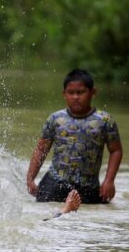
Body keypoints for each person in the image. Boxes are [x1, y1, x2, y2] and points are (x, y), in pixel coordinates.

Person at [26, 69, 123, 204]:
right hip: (54, 183)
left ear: (92, 92)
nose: (75, 97)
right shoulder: (55, 119)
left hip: (88, 186)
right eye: (71, 93)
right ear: (64, 94)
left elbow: (116, 151)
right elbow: (41, 150)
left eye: (80, 92)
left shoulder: (105, 121)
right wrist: (30, 179)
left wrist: (109, 181)